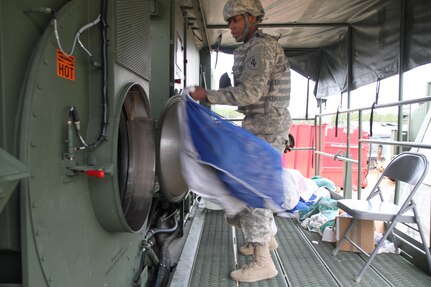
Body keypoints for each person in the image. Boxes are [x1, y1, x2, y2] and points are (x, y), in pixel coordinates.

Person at [189, 0, 291, 283]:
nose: (231, 27)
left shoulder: (261, 46)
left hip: (267, 127)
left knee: (254, 191)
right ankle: (266, 240)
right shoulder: (249, 48)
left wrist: (206, 95)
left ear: (251, 18)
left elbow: (250, 93)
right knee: (253, 185)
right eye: (229, 22)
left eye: (235, 21)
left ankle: (263, 261)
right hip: (260, 125)